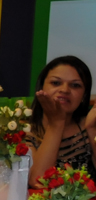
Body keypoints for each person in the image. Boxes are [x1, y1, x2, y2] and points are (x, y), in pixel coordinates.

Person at [27, 55, 96, 185]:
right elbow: (39, 182)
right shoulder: (24, 132)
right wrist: (56, 123)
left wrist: (92, 130)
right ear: (41, 88)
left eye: (75, 85)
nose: (64, 90)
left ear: (84, 95)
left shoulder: (91, 124)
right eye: (56, 83)